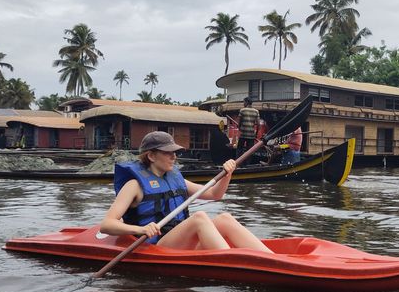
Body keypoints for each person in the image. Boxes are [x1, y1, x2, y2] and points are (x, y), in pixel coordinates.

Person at [100, 131, 272, 253]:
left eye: (175, 153)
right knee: (199, 218)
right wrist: (141, 229)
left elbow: (215, 195)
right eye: (168, 153)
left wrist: (227, 174)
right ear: (151, 156)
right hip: (156, 244)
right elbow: (107, 225)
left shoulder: (176, 179)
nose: (174, 157)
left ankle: (271, 258)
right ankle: (234, 264)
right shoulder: (134, 185)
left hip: (179, 242)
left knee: (225, 218)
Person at [236, 97, 260, 164]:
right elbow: (258, 124)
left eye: (244, 102)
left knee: (239, 150)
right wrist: (256, 133)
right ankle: (248, 165)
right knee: (249, 151)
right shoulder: (256, 111)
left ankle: (238, 164)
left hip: (243, 134)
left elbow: (239, 122)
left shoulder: (242, 110)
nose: (243, 103)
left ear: (246, 102)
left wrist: (239, 127)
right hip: (251, 135)